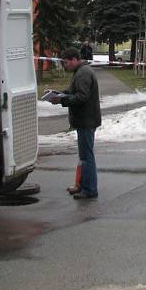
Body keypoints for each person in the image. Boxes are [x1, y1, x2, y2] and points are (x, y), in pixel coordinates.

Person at [50, 47, 101, 199]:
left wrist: (62, 100)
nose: (65, 66)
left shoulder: (83, 73)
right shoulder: (80, 71)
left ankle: (90, 190)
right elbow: (74, 91)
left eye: (66, 63)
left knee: (87, 157)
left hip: (86, 120)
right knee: (84, 156)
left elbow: (82, 96)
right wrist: (59, 93)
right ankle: (82, 186)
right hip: (84, 120)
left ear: (74, 59)